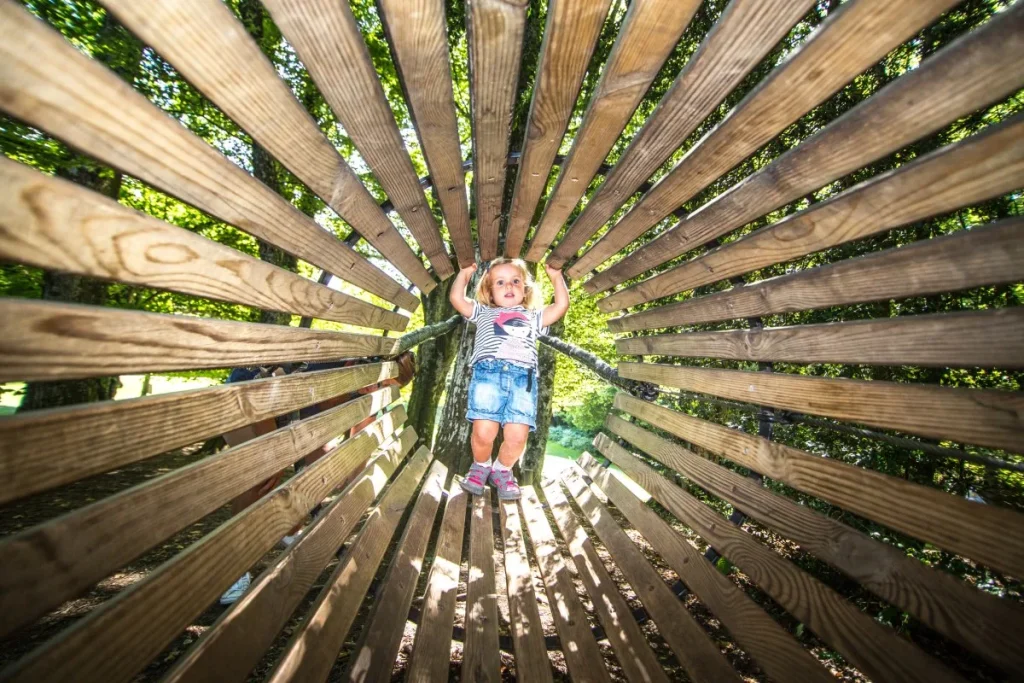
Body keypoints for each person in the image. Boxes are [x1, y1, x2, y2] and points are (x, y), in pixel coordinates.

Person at [217, 352, 416, 605]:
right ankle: (233, 568)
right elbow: (266, 392)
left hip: (295, 416)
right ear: (367, 365)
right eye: (380, 381)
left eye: (386, 387)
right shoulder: (329, 367)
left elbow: (359, 445)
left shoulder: (368, 393)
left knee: (326, 467)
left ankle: (289, 527)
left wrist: (348, 484)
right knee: (258, 473)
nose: (375, 389)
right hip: (250, 397)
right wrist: (275, 453)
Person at [449, 258, 569, 500]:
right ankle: (480, 465)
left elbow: (560, 306)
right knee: (483, 432)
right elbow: (457, 299)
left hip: (522, 381)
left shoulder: (532, 316)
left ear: (525, 289)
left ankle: (502, 471)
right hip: (488, 376)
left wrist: (556, 277)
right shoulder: (483, 312)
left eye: (515, 281)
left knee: (517, 438)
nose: (509, 286)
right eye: (500, 282)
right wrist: (464, 274)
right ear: (489, 292)